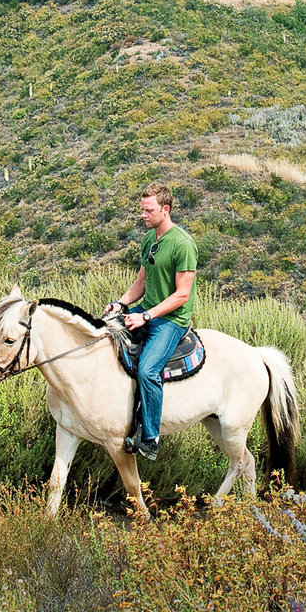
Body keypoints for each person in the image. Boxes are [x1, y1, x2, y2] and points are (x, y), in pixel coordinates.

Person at [105, 182, 198, 461]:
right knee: (104, 335)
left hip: (172, 320)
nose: (143, 215)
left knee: (147, 370)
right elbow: (141, 282)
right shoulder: (150, 240)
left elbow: (182, 295)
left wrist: (145, 316)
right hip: (146, 308)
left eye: (148, 210)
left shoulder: (183, 244)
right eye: (142, 210)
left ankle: (151, 437)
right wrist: (121, 304)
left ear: (165, 209)